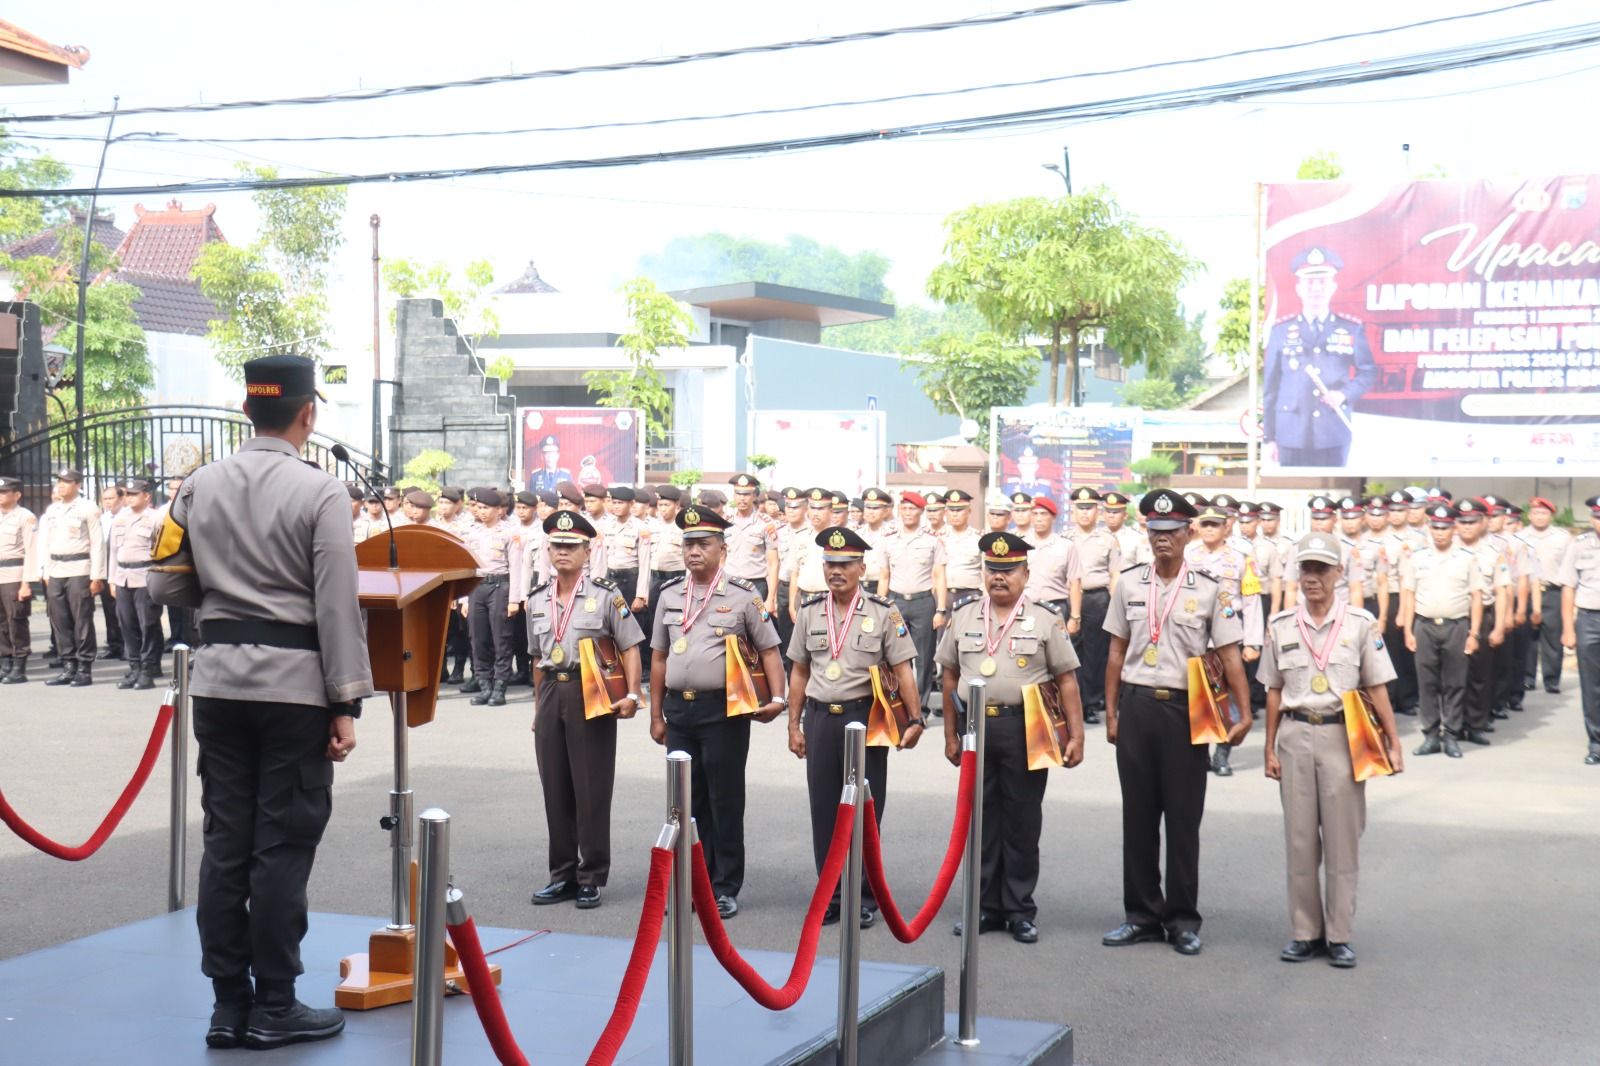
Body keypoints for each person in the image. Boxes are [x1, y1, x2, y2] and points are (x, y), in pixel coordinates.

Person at [148, 354, 371, 1050]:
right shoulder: (322, 491)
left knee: (225, 843)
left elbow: (163, 584)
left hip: (217, 683)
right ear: (310, 413)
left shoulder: (196, 486)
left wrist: (219, 605)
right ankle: (276, 1004)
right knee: (280, 845)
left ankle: (227, 1005)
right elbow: (336, 604)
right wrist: (347, 702)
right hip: (295, 689)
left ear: (248, 409)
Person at [1102, 489, 1251, 956]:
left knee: (1183, 819)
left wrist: (1243, 713)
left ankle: (1183, 919)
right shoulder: (1128, 584)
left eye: (1171, 532)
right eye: (1154, 532)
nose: (1162, 540)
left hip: (1189, 712)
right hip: (1138, 706)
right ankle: (1142, 915)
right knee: (1138, 817)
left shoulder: (1209, 589)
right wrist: (1110, 712)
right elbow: (1115, 653)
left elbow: (1229, 656)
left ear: (1188, 534)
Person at [1259, 533, 1403, 970]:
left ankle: (1339, 934)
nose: (1313, 578)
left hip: (1344, 738)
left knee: (1342, 842)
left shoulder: (1361, 623)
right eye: (1306, 569)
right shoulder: (1281, 625)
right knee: (1300, 841)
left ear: (1339, 574)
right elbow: (1273, 690)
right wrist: (1269, 747)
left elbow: (1376, 687)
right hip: (1296, 734)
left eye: (1322, 569)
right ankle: (1305, 932)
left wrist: (1393, 744)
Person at [936, 531, 1084, 943]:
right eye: (993, 570)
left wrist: (1076, 736)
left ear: (1026, 573)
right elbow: (949, 675)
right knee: (979, 818)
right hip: (975, 727)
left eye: (1008, 571)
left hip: (1027, 727)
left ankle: (1019, 908)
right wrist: (949, 734)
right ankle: (982, 906)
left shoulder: (1046, 617)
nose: (999, 578)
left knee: (1021, 819)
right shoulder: (963, 615)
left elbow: (1067, 680)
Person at [647, 504, 785, 918]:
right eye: (688, 544)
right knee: (684, 802)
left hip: (725, 712)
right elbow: (658, 657)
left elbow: (770, 651)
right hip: (679, 713)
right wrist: (656, 715)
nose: (693, 552)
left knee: (724, 799)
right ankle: (692, 880)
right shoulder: (670, 594)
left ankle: (724, 886)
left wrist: (777, 699)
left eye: (703, 544)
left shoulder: (744, 595)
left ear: (721, 550)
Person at [787, 525, 923, 927]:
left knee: (864, 807)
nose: (836, 571)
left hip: (865, 718)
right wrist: (794, 724)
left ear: (861, 568)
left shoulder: (883, 613)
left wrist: (914, 719)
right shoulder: (811, 611)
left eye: (845, 564)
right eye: (830, 564)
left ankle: (863, 894)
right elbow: (798, 671)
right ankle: (830, 892)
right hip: (819, 718)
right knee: (824, 808)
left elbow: (903, 668)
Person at [527, 509, 643, 909]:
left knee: (590, 788)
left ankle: (591, 875)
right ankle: (561, 875)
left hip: (591, 692)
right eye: (556, 546)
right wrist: (537, 709)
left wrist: (632, 694)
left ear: (586, 550)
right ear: (548, 549)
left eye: (571, 546)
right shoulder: (537, 599)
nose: (562, 552)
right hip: (550, 694)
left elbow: (629, 646)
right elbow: (535, 657)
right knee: (555, 788)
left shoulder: (607, 595)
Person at [1262, 246, 1378, 467]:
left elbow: (1367, 371)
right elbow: (1271, 388)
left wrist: (1344, 394)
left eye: (1323, 282)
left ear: (1333, 287)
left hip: (1332, 431)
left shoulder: (1351, 329)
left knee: (1334, 498)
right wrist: (1270, 438)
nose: (1316, 289)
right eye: (1309, 283)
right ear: (1299, 288)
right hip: (1291, 433)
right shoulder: (1280, 332)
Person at [1186, 502, 1263, 777]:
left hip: (1229, 635)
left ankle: (1222, 753)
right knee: (1197, 697)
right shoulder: (1188, 555)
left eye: (1214, 525)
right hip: (1194, 634)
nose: (1208, 530)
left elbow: (1252, 600)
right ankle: (1201, 754)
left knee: (1227, 696)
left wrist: (1253, 642)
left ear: (1224, 527)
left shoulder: (1241, 557)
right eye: (1204, 524)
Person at [1400, 502, 1482, 760]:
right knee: (1427, 684)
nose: (1440, 533)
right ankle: (1431, 736)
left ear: (1453, 528)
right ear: (1429, 528)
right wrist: (1408, 631)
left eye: (1445, 528)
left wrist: (1474, 633)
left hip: (1456, 626)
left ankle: (1452, 736)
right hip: (1424, 626)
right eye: (1435, 527)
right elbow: (1409, 594)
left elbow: (1476, 597)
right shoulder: (1417, 557)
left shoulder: (1468, 559)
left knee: (1455, 683)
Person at [878, 491, 948, 705]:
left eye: (912, 509)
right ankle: (900, 705)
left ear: (921, 512)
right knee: (895, 656)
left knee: (925, 658)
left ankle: (922, 706)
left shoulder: (932, 541)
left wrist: (941, 609)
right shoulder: (888, 541)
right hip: (896, 603)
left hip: (923, 604)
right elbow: (884, 576)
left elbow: (939, 575)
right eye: (904, 508)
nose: (908, 513)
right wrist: (880, 608)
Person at [39, 468, 105, 687]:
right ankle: (68, 665)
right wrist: (46, 573)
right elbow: (46, 545)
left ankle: (84, 668)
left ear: (78, 485)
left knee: (81, 620)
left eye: (67, 482)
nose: (61, 485)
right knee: (59, 620)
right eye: (59, 481)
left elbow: (97, 544)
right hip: (56, 569)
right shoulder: (52, 510)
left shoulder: (88, 508)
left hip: (79, 568)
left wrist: (97, 576)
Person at [1456, 498, 1510, 746]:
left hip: (1484, 616)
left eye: (1472, 522)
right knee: (1452, 675)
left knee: (1480, 674)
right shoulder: (1446, 549)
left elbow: (1501, 591)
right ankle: (1453, 724)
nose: (1467, 526)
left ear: (1482, 523)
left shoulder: (1493, 554)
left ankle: (1476, 725)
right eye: (1462, 521)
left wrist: (1499, 626)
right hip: (1454, 617)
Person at [459, 487, 518, 706]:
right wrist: (463, 598)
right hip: (476, 587)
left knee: (501, 638)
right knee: (478, 637)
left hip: (500, 586)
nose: (481, 512)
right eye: (479, 507)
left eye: (486, 508)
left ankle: (500, 685)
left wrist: (514, 599)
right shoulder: (470, 531)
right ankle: (484, 684)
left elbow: (516, 567)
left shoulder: (509, 532)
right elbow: (466, 567)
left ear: (498, 510)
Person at [1067, 487, 1121, 726]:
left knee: (1095, 653)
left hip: (1097, 599)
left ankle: (1090, 703)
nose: (1085, 513)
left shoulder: (1108, 540)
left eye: (1089, 508)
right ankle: (1073, 701)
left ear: (1097, 511)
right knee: (1070, 653)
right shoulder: (1065, 539)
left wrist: (1114, 605)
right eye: (1080, 508)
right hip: (1069, 598)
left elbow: (1115, 574)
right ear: (1073, 511)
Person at [108, 479, 165, 689]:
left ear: (146, 496)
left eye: (134, 494)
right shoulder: (120, 519)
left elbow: (164, 553)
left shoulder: (157, 519)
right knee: (126, 623)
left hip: (145, 576)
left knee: (148, 623)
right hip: (123, 575)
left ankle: (148, 668)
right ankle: (134, 667)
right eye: (127, 494)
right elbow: (113, 552)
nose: (129, 498)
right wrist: (112, 579)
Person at [1557, 498, 1600, 765]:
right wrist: (1568, 629)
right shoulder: (1579, 546)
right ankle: (1596, 742)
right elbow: (1568, 587)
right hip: (1588, 620)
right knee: (1592, 685)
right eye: (1596, 517)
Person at [1522, 497, 1571, 694]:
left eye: (1544, 513)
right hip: (1527, 593)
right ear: (1529, 515)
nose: (1540, 517)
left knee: (1552, 637)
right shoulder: (1520, 536)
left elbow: (1569, 567)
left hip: (1552, 592)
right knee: (1528, 637)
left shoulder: (1563, 537)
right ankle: (1527, 678)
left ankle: (1551, 679)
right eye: (1536, 513)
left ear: (1551, 515)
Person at [1021, 497, 1084, 643]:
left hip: (1056, 607)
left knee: (1058, 656)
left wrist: (1075, 617)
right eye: (1035, 514)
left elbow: (1075, 583)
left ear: (1053, 517)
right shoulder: (1021, 545)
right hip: (1027, 606)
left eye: (1044, 514)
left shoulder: (1066, 546)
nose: (1039, 519)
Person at [0, 476, 38, 684]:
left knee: (16, 621)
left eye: (4, 492)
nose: (0, 496)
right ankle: (5, 660)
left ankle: (19, 664)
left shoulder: (26, 517)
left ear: (17, 495)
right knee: (1, 622)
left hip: (14, 574)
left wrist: (27, 582)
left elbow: (32, 551)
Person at [725, 474, 779, 610]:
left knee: (756, 630)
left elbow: (773, 564)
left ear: (754, 496)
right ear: (734, 496)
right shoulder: (726, 523)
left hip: (756, 586)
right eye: (738, 493)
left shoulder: (765, 523)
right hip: (730, 583)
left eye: (747, 494)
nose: (742, 498)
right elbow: (721, 559)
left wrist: (771, 599)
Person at [96, 484, 125, 663]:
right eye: (105, 499)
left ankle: (126, 645)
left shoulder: (126, 517)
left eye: (111, 498)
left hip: (122, 568)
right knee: (108, 608)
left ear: (121, 499)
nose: (108, 502)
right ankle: (114, 644)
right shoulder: (102, 519)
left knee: (123, 610)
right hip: (105, 567)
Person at [940, 489, 983, 606]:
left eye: (959, 510)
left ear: (969, 512)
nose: (954, 514)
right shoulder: (939, 538)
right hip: (945, 596)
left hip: (971, 595)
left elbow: (985, 571)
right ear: (946, 512)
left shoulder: (979, 539)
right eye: (951, 510)